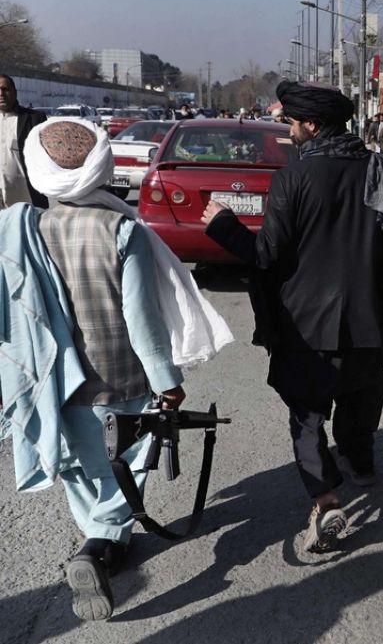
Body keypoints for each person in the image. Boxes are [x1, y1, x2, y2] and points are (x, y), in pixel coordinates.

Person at [1, 118, 232, 621]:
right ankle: (98, 545)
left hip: (56, 382)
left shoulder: (24, 231)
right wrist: (168, 382)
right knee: (131, 461)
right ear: (99, 166)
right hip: (122, 379)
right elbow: (142, 322)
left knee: (83, 470)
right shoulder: (122, 229)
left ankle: (107, 544)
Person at [201, 81, 383, 554]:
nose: (290, 132)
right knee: (361, 395)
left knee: (308, 417)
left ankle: (326, 498)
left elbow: (267, 256)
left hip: (307, 326)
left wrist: (222, 223)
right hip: (367, 321)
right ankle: (361, 464)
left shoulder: (294, 176)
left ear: (312, 126)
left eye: (293, 124)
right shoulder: (382, 171)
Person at [0, 74, 48, 208]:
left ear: (14, 92)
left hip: (25, 198)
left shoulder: (34, 119)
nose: (1, 94)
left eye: (5, 89)